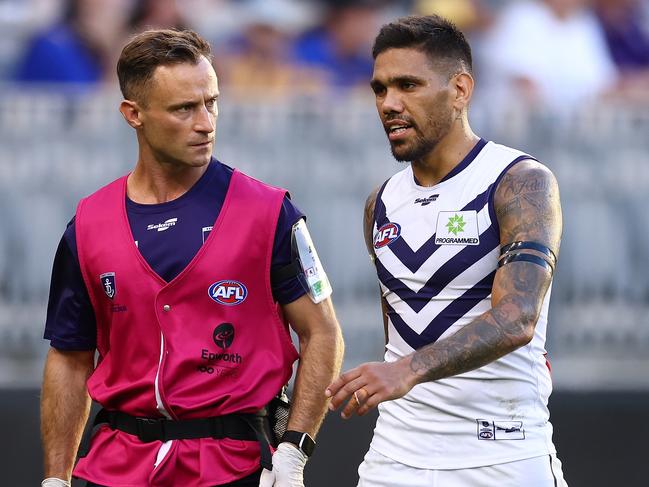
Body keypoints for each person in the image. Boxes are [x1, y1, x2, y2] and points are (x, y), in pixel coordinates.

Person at [40, 29, 344, 487]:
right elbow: (69, 357)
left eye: (212, 102)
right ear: (133, 114)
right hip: (114, 465)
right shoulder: (87, 225)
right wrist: (56, 479)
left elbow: (322, 332)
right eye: (184, 108)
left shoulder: (270, 212)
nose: (206, 123)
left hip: (233, 465)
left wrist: (294, 450)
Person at [326, 15, 568, 487]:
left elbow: (518, 318)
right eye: (379, 89)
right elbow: (397, 330)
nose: (389, 104)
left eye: (408, 85)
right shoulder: (381, 202)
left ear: (460, 89)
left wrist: (406, 371)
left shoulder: (518, 181)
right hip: (394, 457)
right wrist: (393, 373)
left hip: (502, 454)